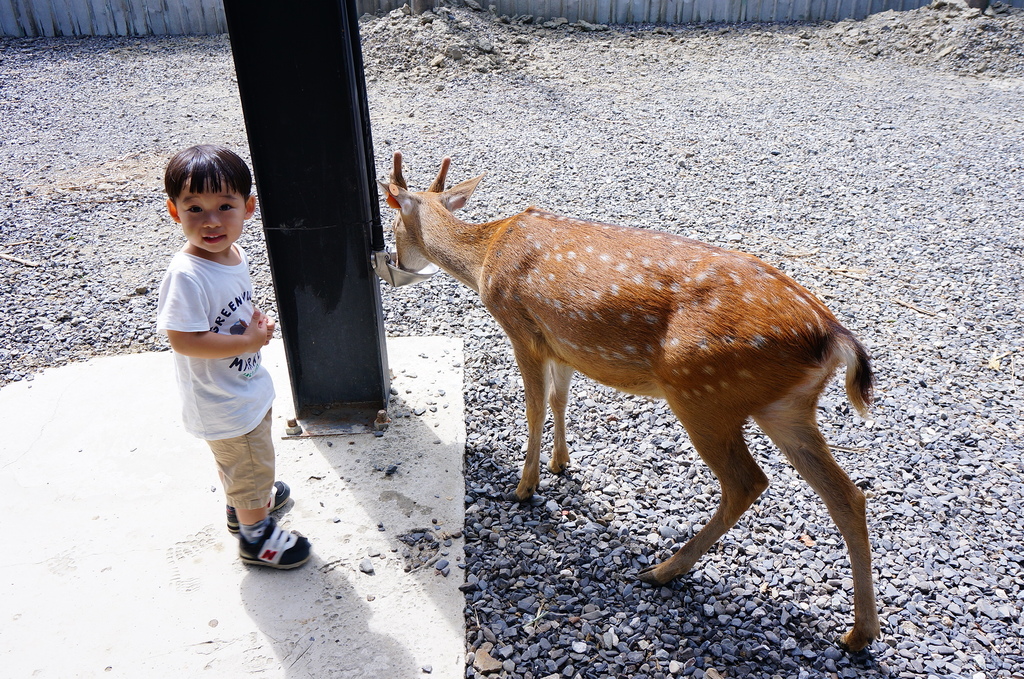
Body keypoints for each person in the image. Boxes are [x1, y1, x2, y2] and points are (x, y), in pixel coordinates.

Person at [156, 144, 311, 569]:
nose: (211, 221)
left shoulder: (231, 255)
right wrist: (246, 343)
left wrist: (251, 332)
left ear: (248, 207)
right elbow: (184, 339)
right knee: (249, 463)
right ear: (175, 213)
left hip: (239, 384)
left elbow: (231, 310)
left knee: (244, 464)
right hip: (221, 401)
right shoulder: (187, 275)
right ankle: (256, 538)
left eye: (225, 206)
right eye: (194, 209)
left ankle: (243, 504)